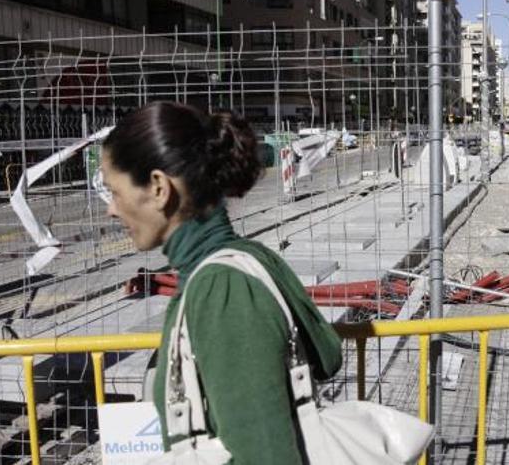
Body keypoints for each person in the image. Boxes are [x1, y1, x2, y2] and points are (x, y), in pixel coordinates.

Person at [100, 101, 342, 464]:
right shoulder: (251, 258)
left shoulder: (222, 289)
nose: (112, 209)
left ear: (158, 188)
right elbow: (327, 353)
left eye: (114, 192)